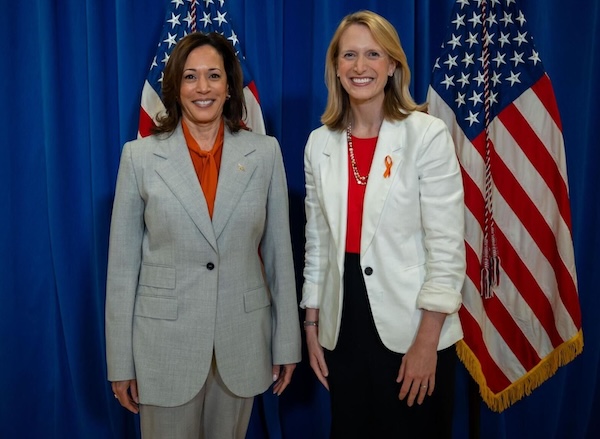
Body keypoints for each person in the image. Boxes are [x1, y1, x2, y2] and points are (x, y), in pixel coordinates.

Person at [105, 32, 301, 439]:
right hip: (163, 349)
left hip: (242, 343)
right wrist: (120, 362)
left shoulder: (265, 154)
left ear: (230, 86)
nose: (203, 87)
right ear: (175, 86)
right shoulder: (138, 158)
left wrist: (286, 345)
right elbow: (123, 271)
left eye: (213, 75)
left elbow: (281, 256)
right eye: (191, 77)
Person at [301, 10, 466, 438]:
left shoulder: (426, 134)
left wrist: (427, 342)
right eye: (349, 55)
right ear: (336, 67)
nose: (360, 67)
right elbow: (317, 243)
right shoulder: (320, 142)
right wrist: (313, 326)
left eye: (373, 54)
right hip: (344, 323)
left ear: (392, 65)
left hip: (413, 325)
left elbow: (447, 249)